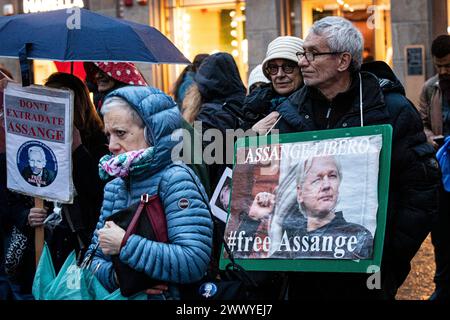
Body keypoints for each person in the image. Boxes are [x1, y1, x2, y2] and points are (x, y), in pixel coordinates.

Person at [275, 16, 440, 299]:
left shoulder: (392, 110)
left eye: (313, 53)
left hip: (367, 275)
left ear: (342, 61)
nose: (302, 61)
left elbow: (421, 188)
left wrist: (388, 253)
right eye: (303, 53)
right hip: (302, 274)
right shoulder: (289, 113)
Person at [85, 86, 213, 299]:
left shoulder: (175, 179)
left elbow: (194, 261)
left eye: (121, 133)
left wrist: (125, 244)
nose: (112, 145)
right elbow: (91, 261)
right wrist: (123, 279)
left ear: (152, 132)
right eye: (108, 135)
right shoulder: (115, 186)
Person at [26, 72, 109, 272]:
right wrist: (29, 214)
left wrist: (78, 151)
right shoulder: (40, 143)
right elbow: (25, 189)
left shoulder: (98, 141)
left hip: (83, 240)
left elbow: (99, 192)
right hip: (51, 241)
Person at [417, 34, 450, 301]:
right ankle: (443, 285)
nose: (443, 71)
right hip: (441, 170)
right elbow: (422, 123)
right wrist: (430, 138)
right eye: (439, 65)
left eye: (448, 65)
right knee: (441, 232)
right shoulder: (430, 88)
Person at [241, 36, 304, 133]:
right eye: (273, 68)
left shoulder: (318, 103)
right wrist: (253, 132)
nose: (280, 74)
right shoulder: (254, 106)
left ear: (302, 70)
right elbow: (237, 146)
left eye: (288, 67)